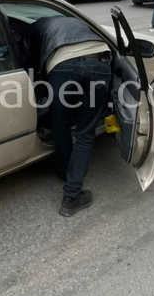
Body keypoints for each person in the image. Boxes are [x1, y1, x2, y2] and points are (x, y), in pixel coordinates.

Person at [26, 15, 112, 217]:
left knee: (60, 125)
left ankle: (67, 179)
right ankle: (72, 193)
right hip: (98, 64)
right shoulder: (73, 20)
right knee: (85, 133)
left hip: (62, 66)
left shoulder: (33, 30)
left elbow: (29, 60)